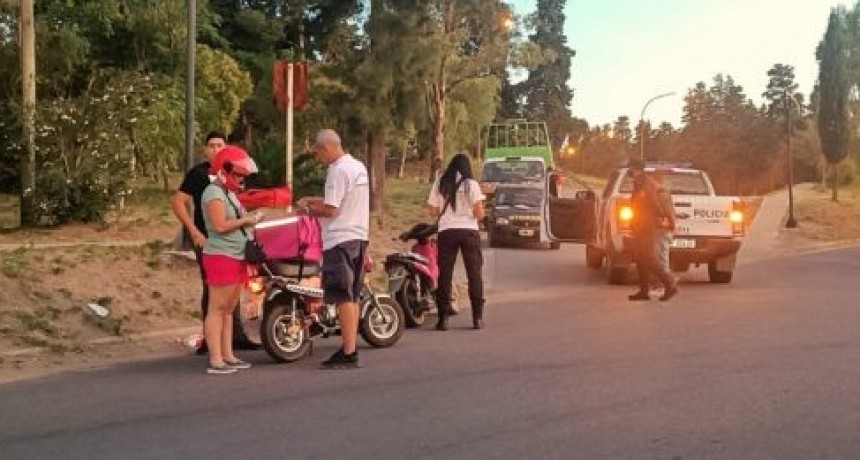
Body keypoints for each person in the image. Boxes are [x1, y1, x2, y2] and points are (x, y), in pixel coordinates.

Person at [171, 131, 261, 355]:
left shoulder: (230, 179)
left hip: (233, 244)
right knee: (213, 293)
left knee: (230, 298)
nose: (216, 149)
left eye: (220, 145)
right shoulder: (200, 176)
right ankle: (211, 344)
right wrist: (192, 231)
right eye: (211, 145)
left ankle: (233, 340)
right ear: (205, 149)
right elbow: (179, 202)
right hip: (210, 240)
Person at [297, 129, 369, 370]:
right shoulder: (357, 166)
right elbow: (338, 200)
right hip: (359, 236)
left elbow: (331, 210)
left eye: (317, 152)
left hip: (339, 239)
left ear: (326, 148)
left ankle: (349, 351)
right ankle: (350, 346)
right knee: (353, 294)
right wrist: (314, 199)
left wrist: (307, 209)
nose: (318, 157)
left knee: (343, 295)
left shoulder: (336, 171)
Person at [198, 145, 262, 374]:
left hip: (236, 254)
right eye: (238, 175)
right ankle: (216, 359)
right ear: (225, 171)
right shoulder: (213, 193)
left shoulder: (229, 193)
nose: (241, 180)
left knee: (228, 309)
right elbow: (219, 225)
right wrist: (245, 222)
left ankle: (228, 355)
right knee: (217, 309)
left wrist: (249, 218)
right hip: (221, 255)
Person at [428, 153, 486, 330]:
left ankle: (443, 319)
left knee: (445, 275)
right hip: (469, 232)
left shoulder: (440, 182)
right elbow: (479, 213)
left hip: (447, 232)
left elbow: (432, 210)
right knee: (474, 274)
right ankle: (477, 318)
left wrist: (447, 214)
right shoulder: (472, 185)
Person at [627, 159, 678, 302]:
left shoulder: (647, 184)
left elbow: (653, 206)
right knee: (640, 258)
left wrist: (666, 222)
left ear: (637, 169)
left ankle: (670, 284)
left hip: (648, 227)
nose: (629, 171)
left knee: (648, 258)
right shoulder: (639, 183)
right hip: (640, 225)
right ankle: (644, 291)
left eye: (631, 168)